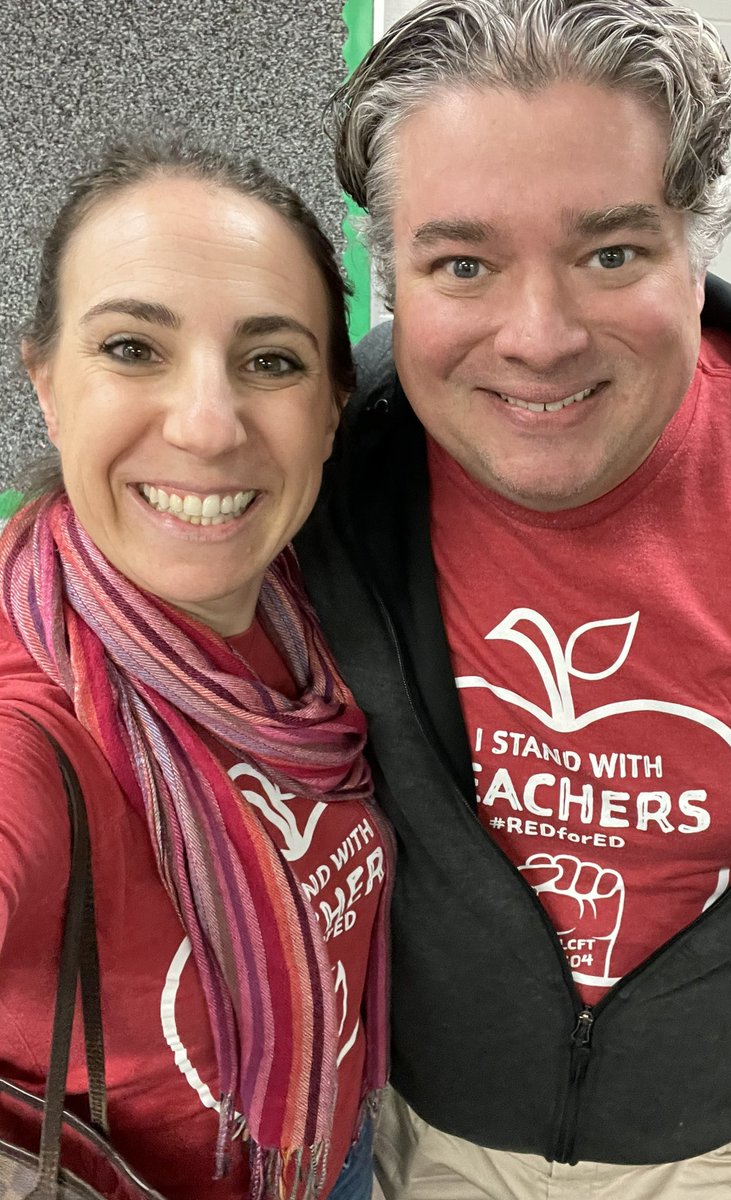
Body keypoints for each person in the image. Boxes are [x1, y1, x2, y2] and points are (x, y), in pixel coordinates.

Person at [294, 1, 731, 1197]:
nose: (539, 337)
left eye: (610, 253)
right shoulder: (326, 468)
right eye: (463, 263)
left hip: (719, 1132)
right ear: (394, 276)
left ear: (698, 241)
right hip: (417, 1117)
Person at [0, 138, 392, 1200]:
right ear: (45, 381)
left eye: (272, 360)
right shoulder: (28, 724)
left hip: (338, 1150)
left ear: (328, 412)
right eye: (132, 348)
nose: (209, 426)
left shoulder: (317, 599)